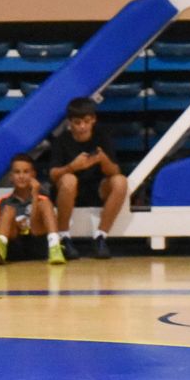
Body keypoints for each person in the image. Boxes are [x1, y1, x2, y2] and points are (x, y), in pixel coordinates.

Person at [47, 97, 124, 260]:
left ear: (93, 120)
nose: (82, 127)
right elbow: (53, 175)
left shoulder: (102, 137)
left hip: (96, 189)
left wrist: (103, 159)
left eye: (86, 122)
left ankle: (101, 237)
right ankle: (64, 237)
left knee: (120, 181)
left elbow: (115, 170)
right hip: (68, 191)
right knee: (69, 180)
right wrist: (72, 167)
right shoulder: (61, 141)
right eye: (77, 122)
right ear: (70, 122)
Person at [0, 154, 65, 266]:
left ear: (33, 175)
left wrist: (35, 195)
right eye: (17, 172)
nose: (21, 176)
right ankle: (0, 250)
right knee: (8, 210)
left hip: (38, 243)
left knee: (44, 203)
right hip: (13, 246)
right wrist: (16, 224)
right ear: (11, 176)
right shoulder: (2, 201)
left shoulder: (42, 199)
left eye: (26, 172)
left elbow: (36, 226)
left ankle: (55, 246)